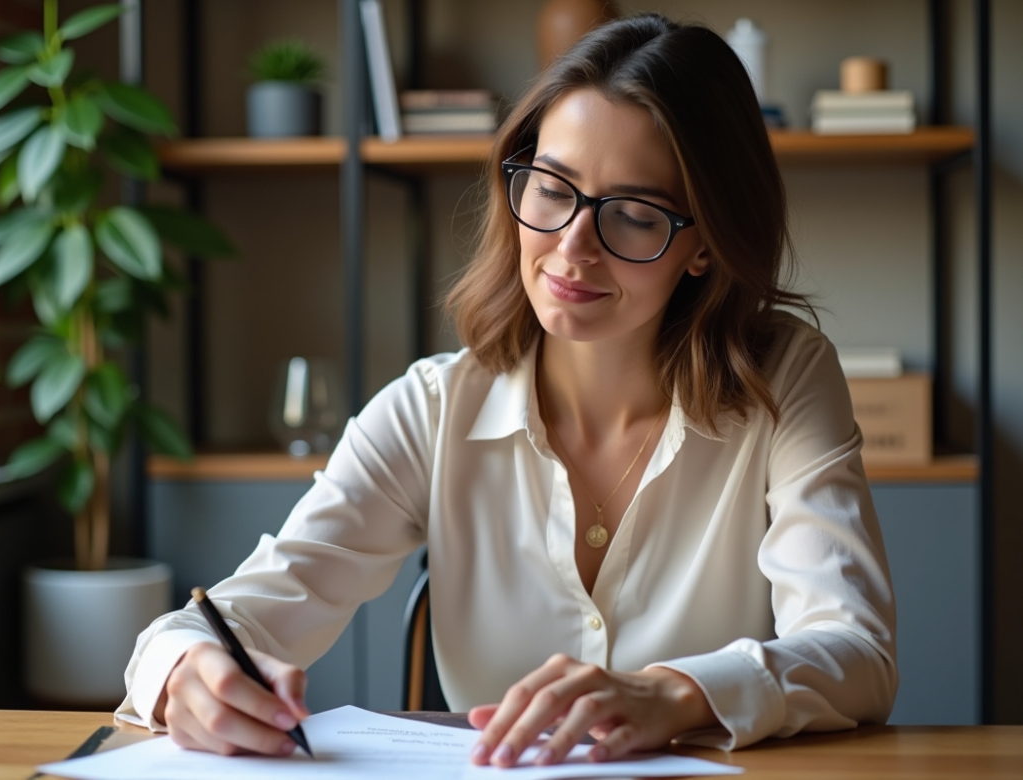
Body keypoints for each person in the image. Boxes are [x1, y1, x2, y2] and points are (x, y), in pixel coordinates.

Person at [116, 12, 896, 766]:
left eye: (633, 214)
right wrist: (188, 674)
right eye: (552, 188)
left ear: (705, 245)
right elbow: (229, 616)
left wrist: (673, 693)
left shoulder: (784, 379)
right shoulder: (432, 409)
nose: (573, 246)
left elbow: (857, 651)